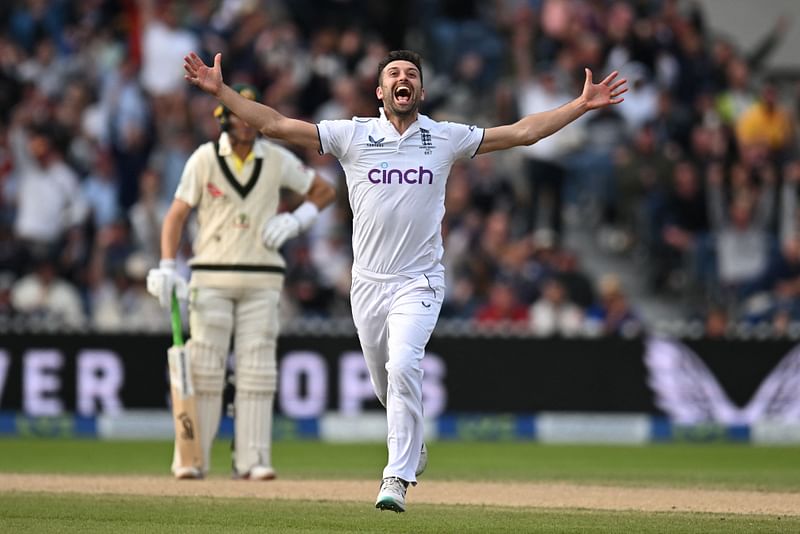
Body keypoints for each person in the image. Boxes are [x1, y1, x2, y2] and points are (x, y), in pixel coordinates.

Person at [183, 49, 627, 511]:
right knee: (384, 380)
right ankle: (413, 445)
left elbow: (521, 133)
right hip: (368, 284)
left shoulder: (444, 137)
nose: (403, 78)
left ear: (420, 90)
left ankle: (396, 476)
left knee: (403, 365)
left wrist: (579, 105)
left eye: (411, 74)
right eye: (394, 73)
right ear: (380, 91)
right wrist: (222, 92)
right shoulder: (352, 134)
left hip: (419, 280)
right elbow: (275, 124)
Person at [146, 83, 336, 480]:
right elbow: (176, 215)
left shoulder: (276, 158)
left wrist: (297, 219)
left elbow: (324, 190)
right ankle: (193, 458)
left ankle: (252, 460)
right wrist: (167, 265)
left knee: (258, 370)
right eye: (240, 114)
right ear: (225, 117)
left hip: (263, 278)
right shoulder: (204, 159)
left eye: (253, 114)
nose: (247, 122)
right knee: (204, 370)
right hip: (210, 275)